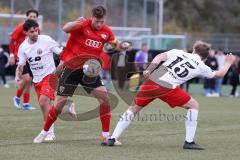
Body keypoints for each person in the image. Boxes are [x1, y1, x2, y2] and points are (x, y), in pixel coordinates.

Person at [102, 41, 236, 150]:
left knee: (133, 108)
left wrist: (149, 69)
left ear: (194, 50)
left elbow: (159, 57)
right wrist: (228, 62)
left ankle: (112, 138)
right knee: (194, 105)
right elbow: (219, 75)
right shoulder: (201, 66)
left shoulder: (178, 52)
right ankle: (189, 142)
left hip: (152, 80)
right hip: (166, 87)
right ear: (205, 57)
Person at [33, 5, 131, 144]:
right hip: (71, 68)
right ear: (92, 17)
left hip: (90, 71)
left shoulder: (106, 31)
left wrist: (123, 46)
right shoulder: (82, 24)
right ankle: (44, 132)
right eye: (97, 21)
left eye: (102, 21)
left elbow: (115, 44)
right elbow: (65, 28)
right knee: (59, 105)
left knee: (105, 99)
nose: (99, 24)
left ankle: (106, 135)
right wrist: (75, 23)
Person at [15, 19, 63, 142]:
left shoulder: (46, 39)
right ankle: (65, 107)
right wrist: (18, 76)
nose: (35, 33)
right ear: (26, 32)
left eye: (36, 30)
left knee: (43, 101)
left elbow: (61, 52)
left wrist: (65, 61)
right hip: (37, 80)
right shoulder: (23, 47)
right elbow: (21, 65)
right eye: (32, 31)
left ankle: (49, 133)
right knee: (45, 107)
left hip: (50, 75)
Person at [9, 9, 40, 110]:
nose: (32, 18)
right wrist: (11, 55)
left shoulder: (37, 30)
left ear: (36, 18)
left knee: (29, 81)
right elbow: (12, 40)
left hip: (31, 58)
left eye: (34, 17)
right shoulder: (21, 27)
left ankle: (26, 104)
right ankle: (17, 97)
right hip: (20, 57)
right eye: (30, 16)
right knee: (26, 79)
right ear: (26, 17)